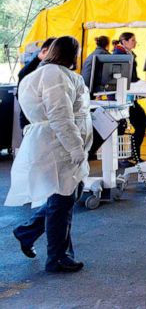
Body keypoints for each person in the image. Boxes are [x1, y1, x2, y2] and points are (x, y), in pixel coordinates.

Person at [6, 36, 92, 273]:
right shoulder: (54, 76)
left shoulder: (47, 74)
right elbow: (60, 115)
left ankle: (28, 233)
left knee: (64, 198)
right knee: (63, 200)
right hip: (59, 146)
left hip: (55, 144)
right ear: (72, 53)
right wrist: (75, 148)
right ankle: (57, 258)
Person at [114, 33, 146, 160]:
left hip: (129, 97)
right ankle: (124, 157)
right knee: (123, 126)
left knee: (142, 122)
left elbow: (132, 77)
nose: (135, 42)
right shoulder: (118, 55)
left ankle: (134, 154)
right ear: (124, 41)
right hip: (122, 98)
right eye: (132, 40)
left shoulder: (129, 54)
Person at [15, 37, 56, 130]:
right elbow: (21, 95)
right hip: (31, 121)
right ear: (44, 51)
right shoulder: (31, 68)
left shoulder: (51, 68)